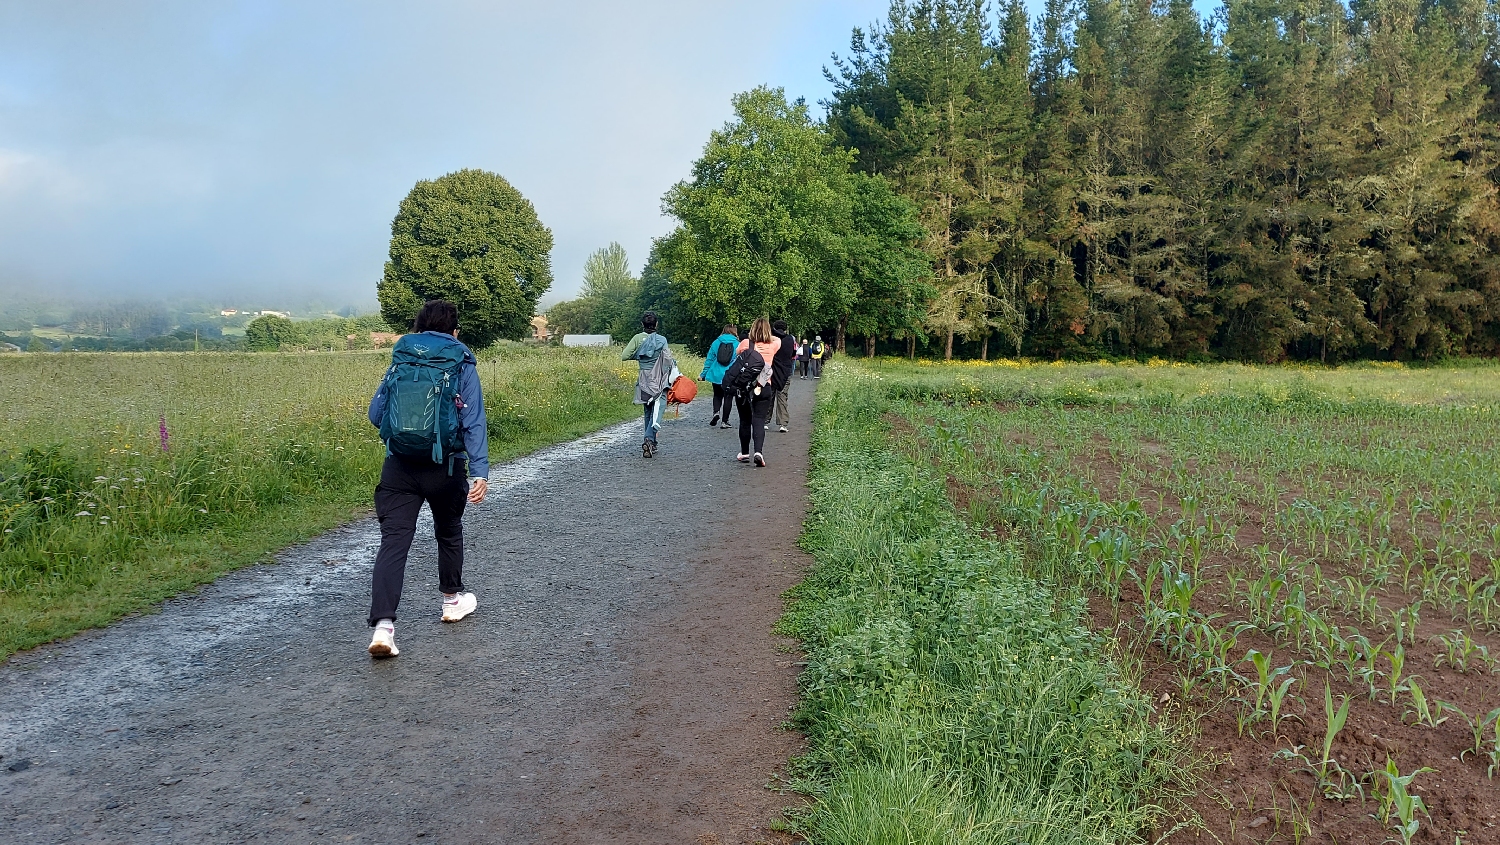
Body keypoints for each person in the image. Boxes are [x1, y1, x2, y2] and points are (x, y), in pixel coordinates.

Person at [366, 300, 490, 658]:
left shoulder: (402, 357)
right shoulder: (460, 359)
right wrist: (480, 470)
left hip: (399, 466)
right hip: (446, 467)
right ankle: (452, 600)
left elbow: (377, 414)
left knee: (394, 544)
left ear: (419, 327)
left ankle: (384, 628)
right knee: (448, 531)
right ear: (455, 331)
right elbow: (473, 420)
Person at [622, 311, 673, 458]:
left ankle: (651, 443)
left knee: (648, 410)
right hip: (658, 378)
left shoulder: (637, 338)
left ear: (642, 324)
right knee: (659, 407)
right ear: (656, 324)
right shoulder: (661, 339)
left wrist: (640, 356)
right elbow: (667, 359)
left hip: (643, 377)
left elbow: (624, 356)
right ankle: (649, 439)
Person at [734, 317, 781, 467]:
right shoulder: (773, 344)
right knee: (759, 420)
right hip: (764, 385)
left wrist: (753, 335)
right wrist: (766, 333)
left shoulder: (745, 344)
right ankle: (759, 452)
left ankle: (745, 452)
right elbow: (777, 338)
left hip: (745, 387)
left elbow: (737, 355)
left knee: (745, 420)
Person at [700, 324, 739, 429]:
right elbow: (739, 361)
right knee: (728, 398)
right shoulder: (737, 344)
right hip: (730, 375)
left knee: (717, 395)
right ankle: (724, 422)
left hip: (716, 374)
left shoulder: (716, 342)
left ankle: (716, 412)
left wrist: (703, 374)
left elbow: (709, 359)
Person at [770, 320, 797, 433]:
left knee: (769, 396)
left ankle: (765, 421)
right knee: (782, 396)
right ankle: (783, 423)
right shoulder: (791, 339)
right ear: (785, 328)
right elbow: (793, 354)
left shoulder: (770, 338)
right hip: (786, 371)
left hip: (771, 371)